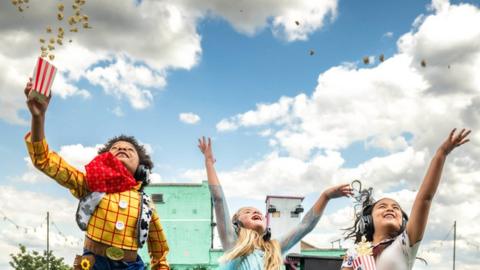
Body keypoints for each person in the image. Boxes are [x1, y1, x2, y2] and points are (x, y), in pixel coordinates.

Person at [24, 78, 170, 270]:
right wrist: (38, 118)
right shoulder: (91, 185)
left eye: (130, 149)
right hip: (92, 264)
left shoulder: (146, 204)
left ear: (141, 168)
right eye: (116, 148)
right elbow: (44, 161)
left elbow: (160, 256)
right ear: (104, 160)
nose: (123, 148)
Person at [198, 137, 353, 270]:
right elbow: (218, 200)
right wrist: (209, 163)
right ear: (236, 224)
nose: (255, 212)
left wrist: (325, 196)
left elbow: (305, 225)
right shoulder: (233, 243)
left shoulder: (274, 247)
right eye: (247, 211)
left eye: (257, 211)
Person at [342, 128, 471, 270]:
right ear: (367, 220)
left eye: (396, 208)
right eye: (382, 206)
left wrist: (441, 153)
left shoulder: (404, 244)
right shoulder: (355, 252)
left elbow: (424, 199)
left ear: (403, 222)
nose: (390, 208)